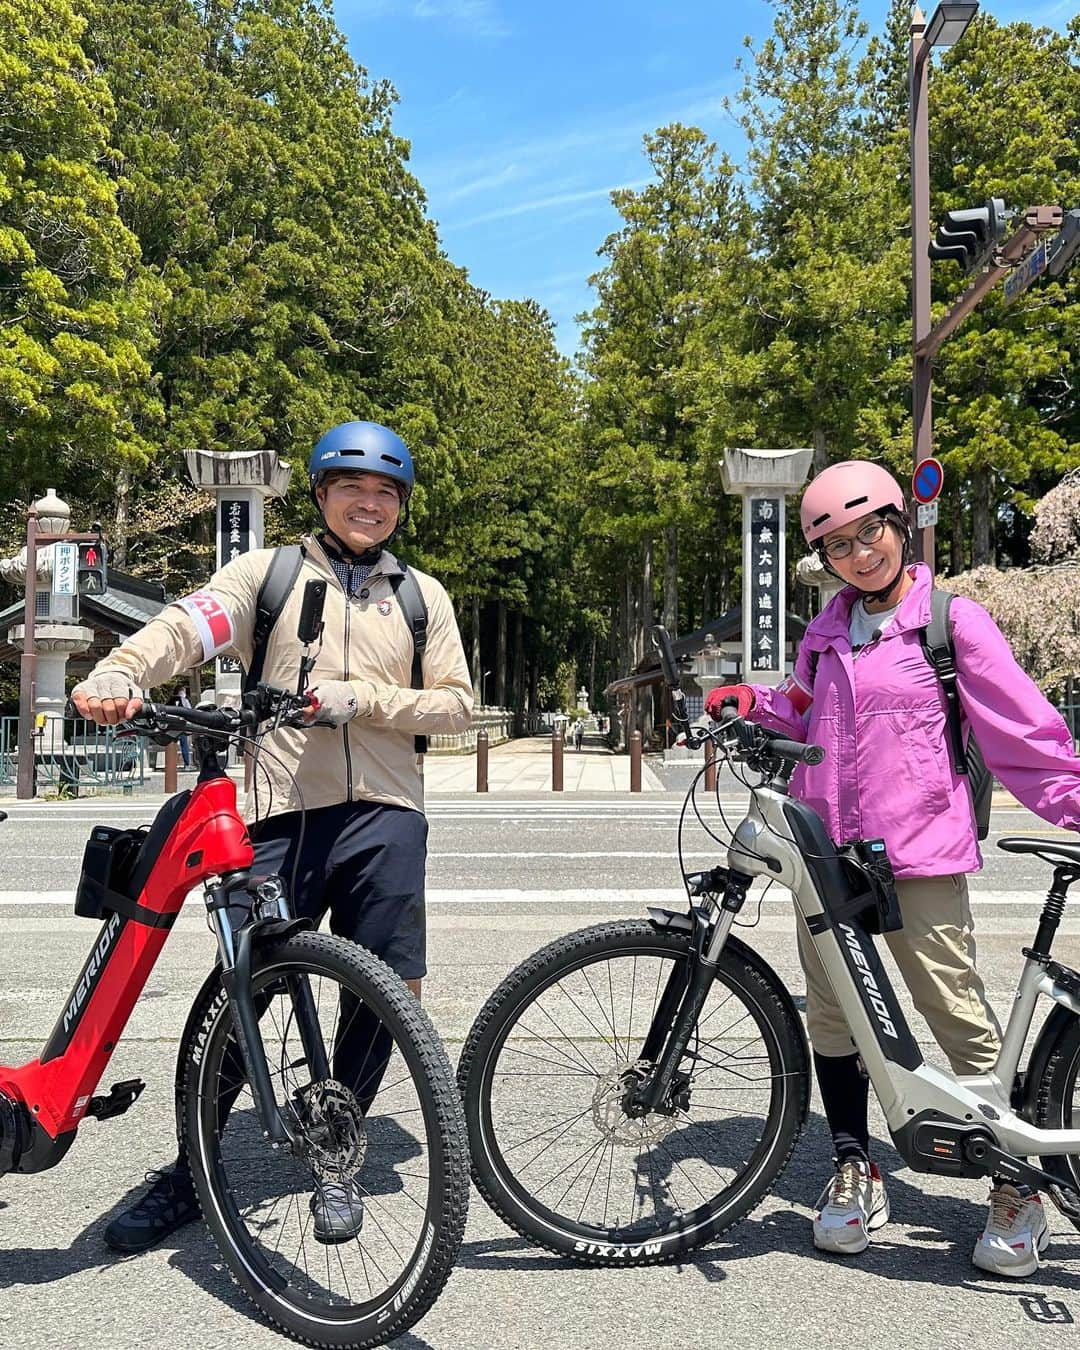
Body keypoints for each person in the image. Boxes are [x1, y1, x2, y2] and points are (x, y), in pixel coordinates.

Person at [72, 420, 472, 1252]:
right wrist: (120, 669)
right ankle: (192, 1168)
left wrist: (362, 699)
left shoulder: (421, 595)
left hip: (388, 814)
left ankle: (336, 1146)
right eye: (352, 490)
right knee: (243, 985)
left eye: (386, 494)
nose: (370, 505)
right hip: (281, 807)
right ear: (322, 495)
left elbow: (458, 707)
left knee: (390, 989)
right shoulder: (270, 573)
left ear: (400, 506)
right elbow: (192, 625)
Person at [704, 459, 1080, 1278]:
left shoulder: (951, 623)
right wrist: (748, 704)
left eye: (869, 530)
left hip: (919, 856)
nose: (859, 552)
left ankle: (1017, 1185)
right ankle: (854, 1162)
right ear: (825, 558)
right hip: (827, 856)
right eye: (838, 544)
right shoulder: (825, 631)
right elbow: (798, 707)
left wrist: (1075, 804)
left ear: (898, 527)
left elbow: (1025, 733)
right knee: (835, 1018)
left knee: (955, 1013)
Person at [170, 684, 192, 768]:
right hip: (181, 725)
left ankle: (172, 764)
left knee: (173, 744)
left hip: (173, 725)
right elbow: (189, 711)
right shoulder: (185, 701)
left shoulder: (171, 700)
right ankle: (186, 764)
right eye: (183, 691)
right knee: (184, 744)